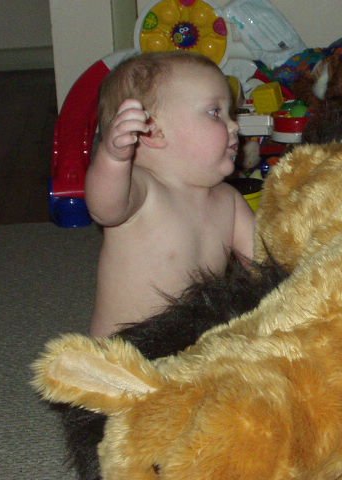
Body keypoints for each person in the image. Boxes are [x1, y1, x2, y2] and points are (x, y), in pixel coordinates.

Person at [86, 51, 255, 337]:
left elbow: (262, 260)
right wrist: (113, 159)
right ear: (152, 131)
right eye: (215, 112)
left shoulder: (230, 201)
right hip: (129, 350)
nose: (234, 125)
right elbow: (105, 208)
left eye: (231, 113)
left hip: (195, 346)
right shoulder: (143, 189)